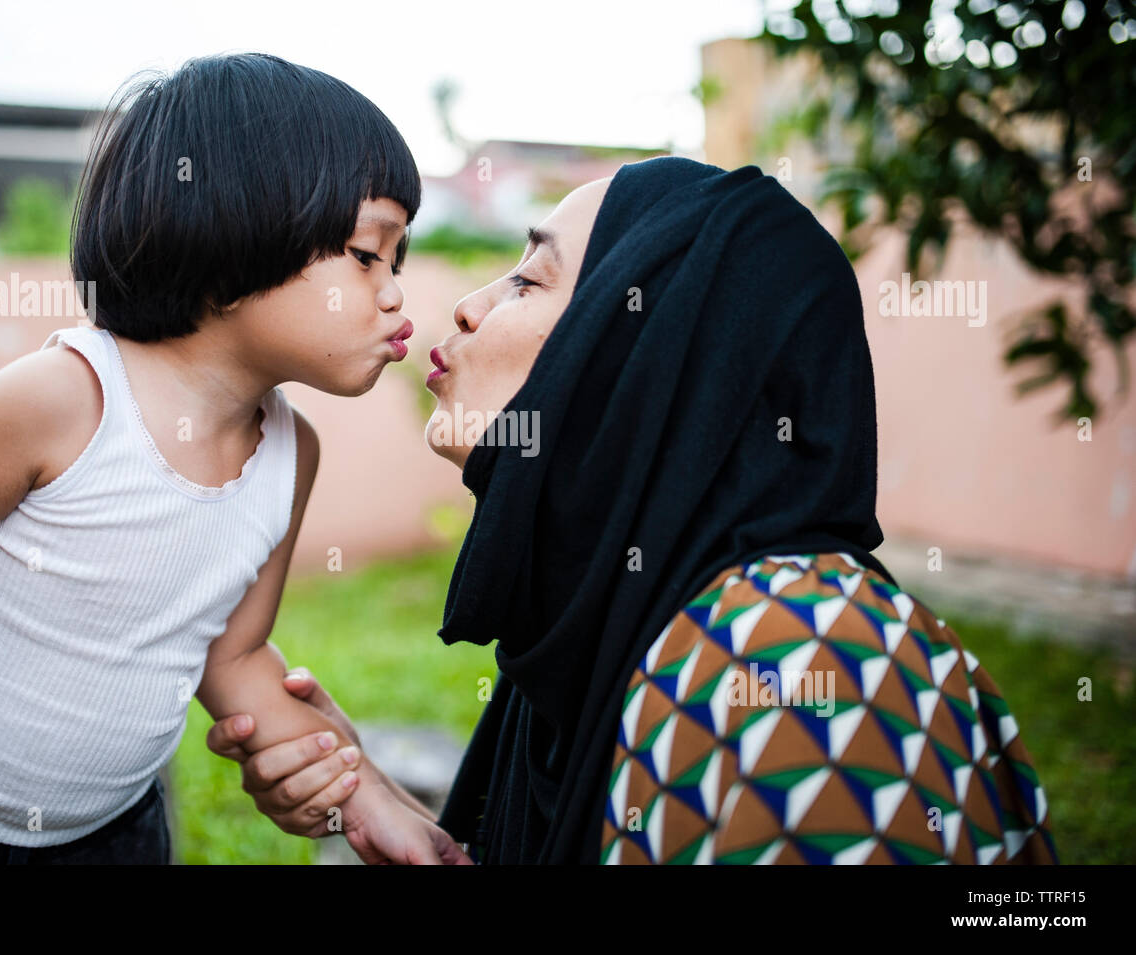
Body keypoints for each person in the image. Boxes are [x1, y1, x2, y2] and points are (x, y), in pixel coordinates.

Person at [211, 157, 1058, 865]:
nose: (469, 304)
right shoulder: (613, 617)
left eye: (530, 278)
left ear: (648, 354)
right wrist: (373, 793)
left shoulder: (799, 661)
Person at [0, 53, 466, 865]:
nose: (394, 293)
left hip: (117, 833)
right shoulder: (58, 404)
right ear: (233, 240)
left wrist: (366, 791)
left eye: (400, 260)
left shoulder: (289, 453)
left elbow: (231, 653)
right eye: (365, 253)